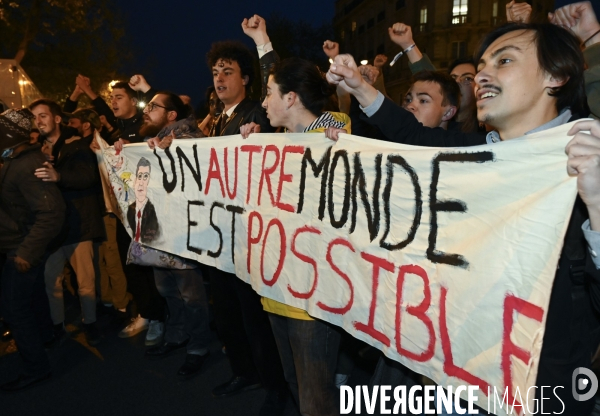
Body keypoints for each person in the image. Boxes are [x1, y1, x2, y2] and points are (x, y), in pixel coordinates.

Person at [326, 22, 600, 415]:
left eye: (504, 61)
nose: (482, 75)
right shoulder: (473, 152)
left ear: (556, 76)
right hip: (453, 372)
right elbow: (416, 138)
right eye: (482, 65)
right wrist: (360, 88)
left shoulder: (588, 160)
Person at [241, 14, 350, 416]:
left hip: (314, 297)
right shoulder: (272, 146)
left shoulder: (338, 135)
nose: (263, 101)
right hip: (275, 290)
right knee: (293, 382)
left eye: (269, 93)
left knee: (315, 398)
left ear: (290, 98)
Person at [203, 33, 288, 416]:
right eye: (215, 72)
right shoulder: (215, 120)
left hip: (249, 238)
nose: (220, 78)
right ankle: (245, 371)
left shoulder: (257, 114)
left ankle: (275, 385)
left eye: (228, 71)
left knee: (255, 317)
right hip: (217, 237)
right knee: (227, 313)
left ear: (246, 79)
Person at [135, 92, 211, 380]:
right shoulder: (154, 140)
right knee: (167, 289)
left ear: (171, 115)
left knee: (191, 294)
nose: (147, 110)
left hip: (184, 232)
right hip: (160, 230)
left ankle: (199, 347)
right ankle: (178, 335)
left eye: (153, 106)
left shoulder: (187, 136)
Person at [30, 99, 105, 347]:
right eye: (35, 117)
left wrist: (58, 175)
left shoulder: (77, 147)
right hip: (52, 228)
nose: (38, 122)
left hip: (77, 222)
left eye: (43, 116)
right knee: (51, 279)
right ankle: (57, 326)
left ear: (57, 119)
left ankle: (91, 323)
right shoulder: (37, 151)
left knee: (85, 280)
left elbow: (86, 177)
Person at [0, 108, 65, 391]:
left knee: (15, 309)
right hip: (17, 243)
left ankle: (36, 368)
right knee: (31, 300)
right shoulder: (15, 159)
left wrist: (26, 251)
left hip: (22, 248)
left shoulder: (28, 165)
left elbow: (52, 213)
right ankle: (44, 340)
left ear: (9, 133)